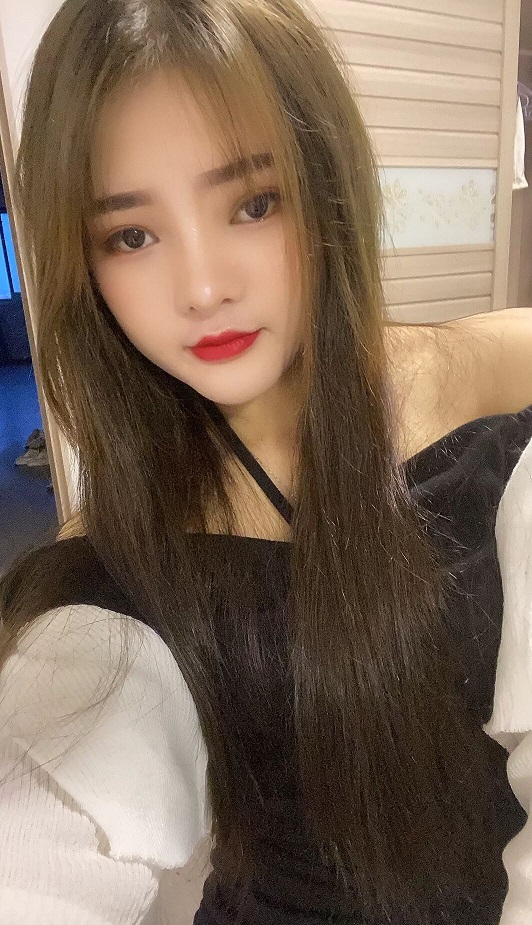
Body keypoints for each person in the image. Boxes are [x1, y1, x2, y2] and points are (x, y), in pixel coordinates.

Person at [0, 1, 531, 924]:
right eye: (132, 235)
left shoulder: (481, 378)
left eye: (252, 203)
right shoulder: (113, 566)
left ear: (323, 188)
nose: (204, 287)